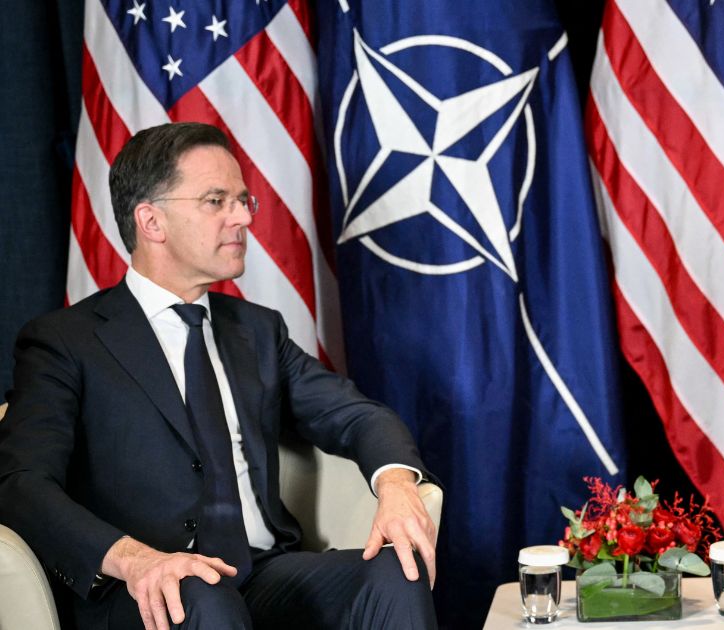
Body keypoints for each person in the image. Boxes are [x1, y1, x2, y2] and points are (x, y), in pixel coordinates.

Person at [0, 122, 439, 630]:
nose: (242, 218)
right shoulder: (65, 340)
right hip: (145, 589)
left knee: (397, 572)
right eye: (216, 201)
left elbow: (357, 416)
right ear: (151, 221)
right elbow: (21, 483)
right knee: (204, 599)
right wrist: (133, 558)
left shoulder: (257, 331)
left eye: (242, 200)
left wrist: (398, 486)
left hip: (263, 571)